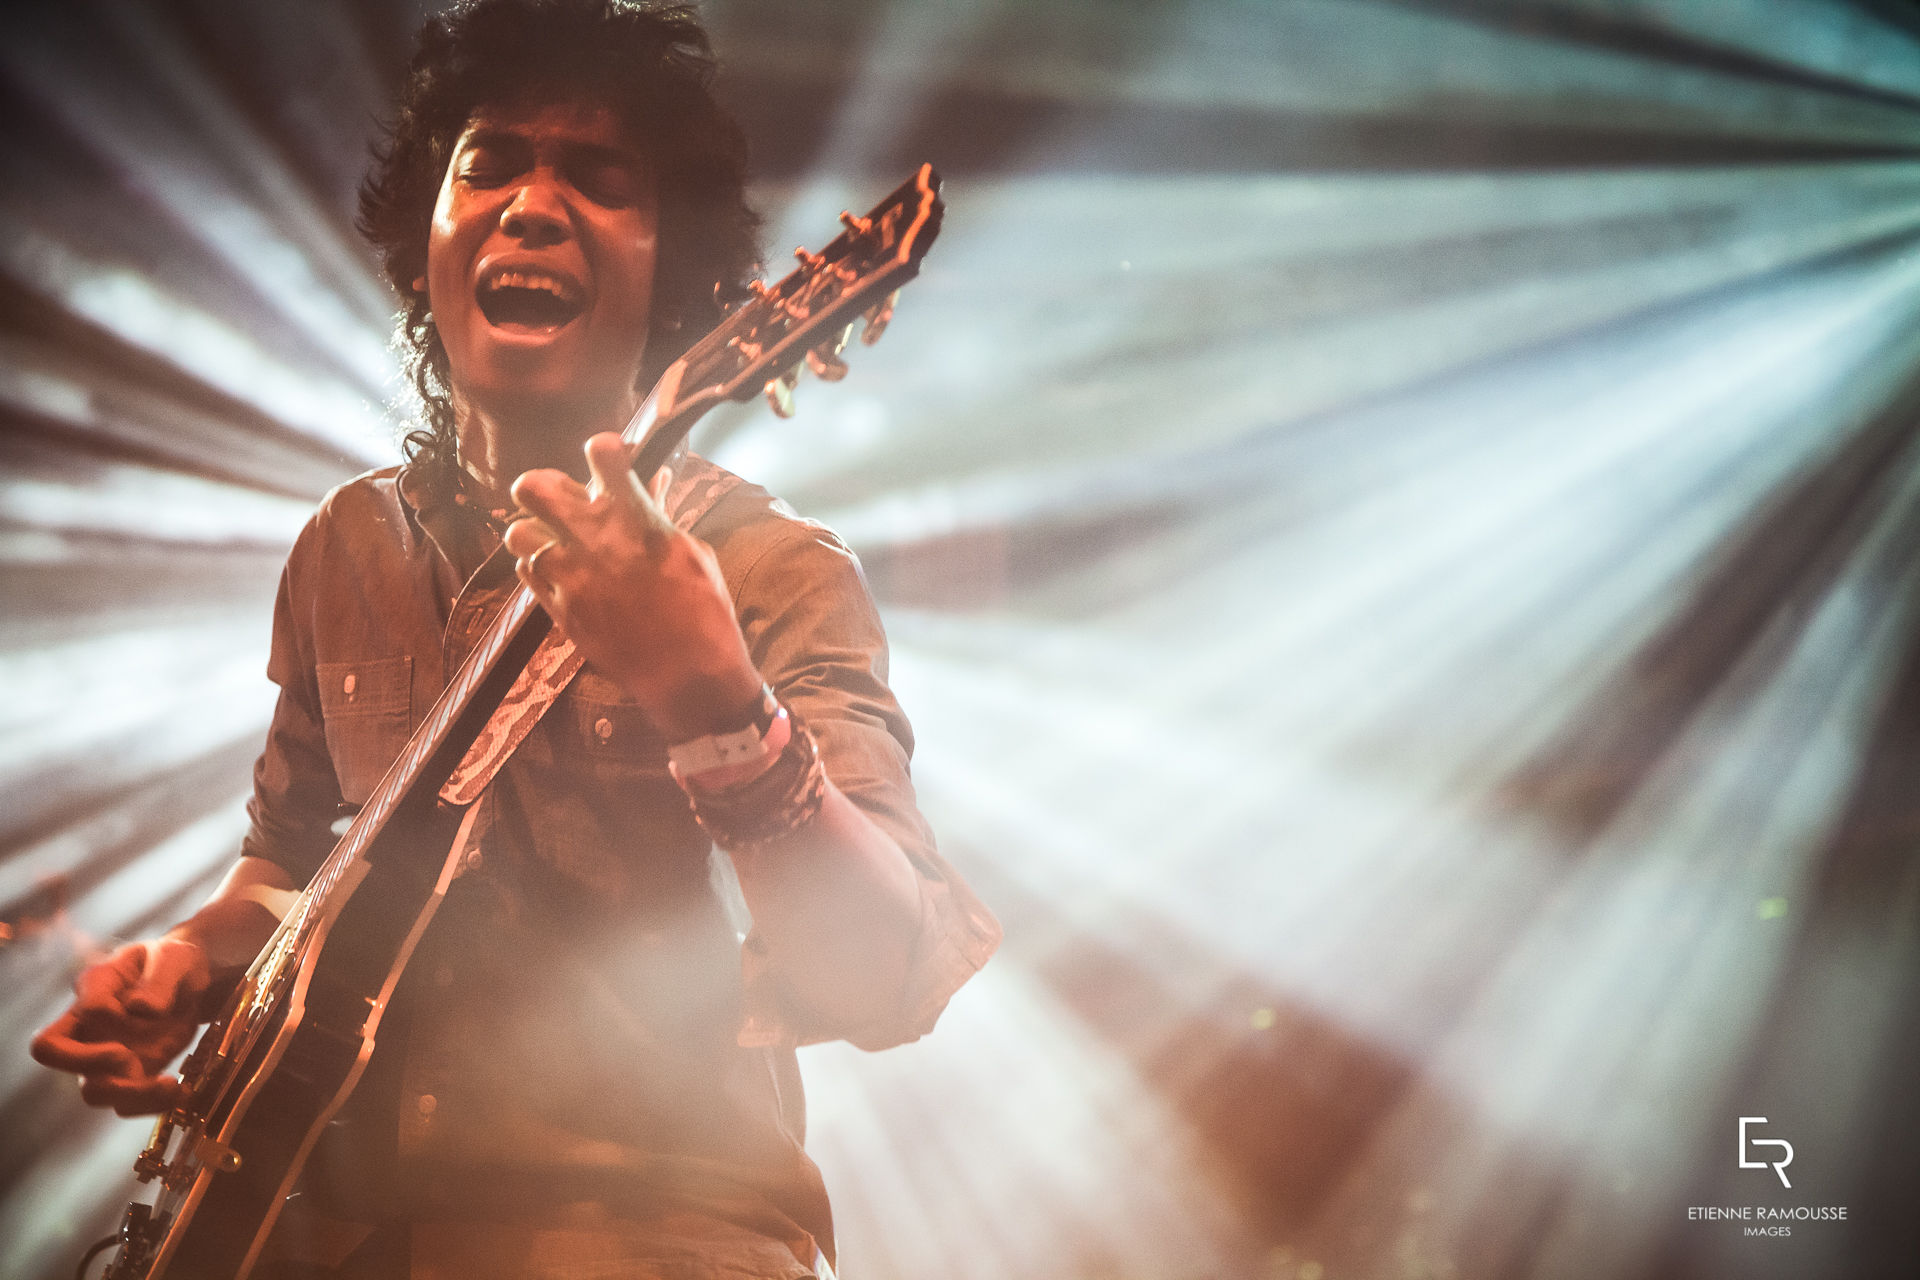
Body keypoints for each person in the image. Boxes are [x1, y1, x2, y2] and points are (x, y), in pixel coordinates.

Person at [29, 1, 1000, 1276]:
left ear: (684, 282)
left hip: (645, 1230)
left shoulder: (769, 571)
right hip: (307, 1234)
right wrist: (187, 962)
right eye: (490, 163)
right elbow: (285, 863)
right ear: (425, 238)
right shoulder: (345, 545)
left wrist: (716, 701)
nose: (532, 204)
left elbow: (888, 974)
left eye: (602, 181)